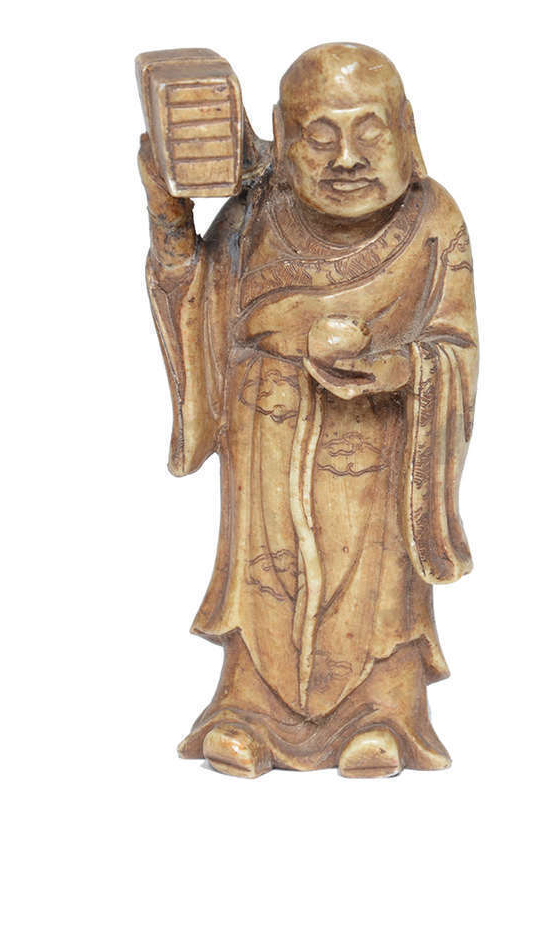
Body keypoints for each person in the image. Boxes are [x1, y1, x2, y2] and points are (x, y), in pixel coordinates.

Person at [139, 43, 478, 778]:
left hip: (378, 447)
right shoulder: (256, 213)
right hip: (265, 437)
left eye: (369, 132)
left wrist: (399, 369)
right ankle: (245, 714)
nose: (346, 159)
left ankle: (383, 713)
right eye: (320, 137)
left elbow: (455, 344)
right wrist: (170, 221)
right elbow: (200, 305)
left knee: (377, 585)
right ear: (281, 137)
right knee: (264, 577)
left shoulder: (433, 221)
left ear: (406, 128)